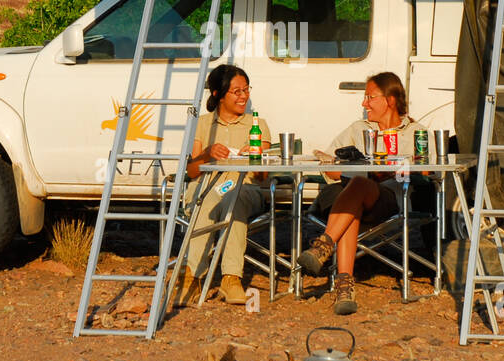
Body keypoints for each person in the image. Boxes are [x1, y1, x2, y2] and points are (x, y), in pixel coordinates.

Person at [298, 72, 427, 315]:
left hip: (387, 199)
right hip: (346, 195)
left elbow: (428, 172)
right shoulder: (358, 129)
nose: (363, 103)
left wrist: (393, 170)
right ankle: (344, 288)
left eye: (369, 97)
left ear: (389, 100)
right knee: (355, 188)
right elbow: (329, 166)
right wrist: (346, 167)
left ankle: (325, 247)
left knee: (358, 184)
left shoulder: (415, 132)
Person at [175, 64, 271, 307]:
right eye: (236, 91)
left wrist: (256, 157)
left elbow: (263, 176)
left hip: (246, 188)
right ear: (218, 94)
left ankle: (231, 278)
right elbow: (191, 171)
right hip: (208, 187)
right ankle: (192, 278)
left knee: (233, 198)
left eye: (246, 90)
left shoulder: (256, 124)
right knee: (206, 198)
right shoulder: (204, 124)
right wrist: (206, 154)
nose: (243, 96)